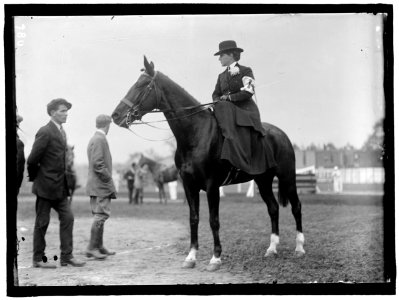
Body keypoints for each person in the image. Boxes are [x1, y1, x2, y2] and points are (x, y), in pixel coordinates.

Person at [27, 98, 85, 268]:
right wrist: (36, 178)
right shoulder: (45, 131)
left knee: (68, 218)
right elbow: (32, 160)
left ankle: (66, 257)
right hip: (45, 187)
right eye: (62, 111)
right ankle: (38, 259)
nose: (66, 114)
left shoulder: (62, 131)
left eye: (67, 111)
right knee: (42, 223)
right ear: (52, 113)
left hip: (61, 188)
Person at [212, 40, 276, 174]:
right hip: (226, 111)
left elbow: (249, 91)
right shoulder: (221, 76)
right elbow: (216, 94)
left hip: (245, 110)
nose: (219, 59)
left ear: (230, 55)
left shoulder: (246, 70)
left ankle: (242, 157)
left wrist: (229, 98)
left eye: (221, 55)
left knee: (225, 109)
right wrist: (219, 101)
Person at [86, 114, 117, 260]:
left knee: (100, 215)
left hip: (96, 185)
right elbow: (98, 163)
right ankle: (92, 248)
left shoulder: (95, 137)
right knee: (100, 215)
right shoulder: (99, 139)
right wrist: (108, 179)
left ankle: (99, 246)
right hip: (100, 185)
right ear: (108, 125)